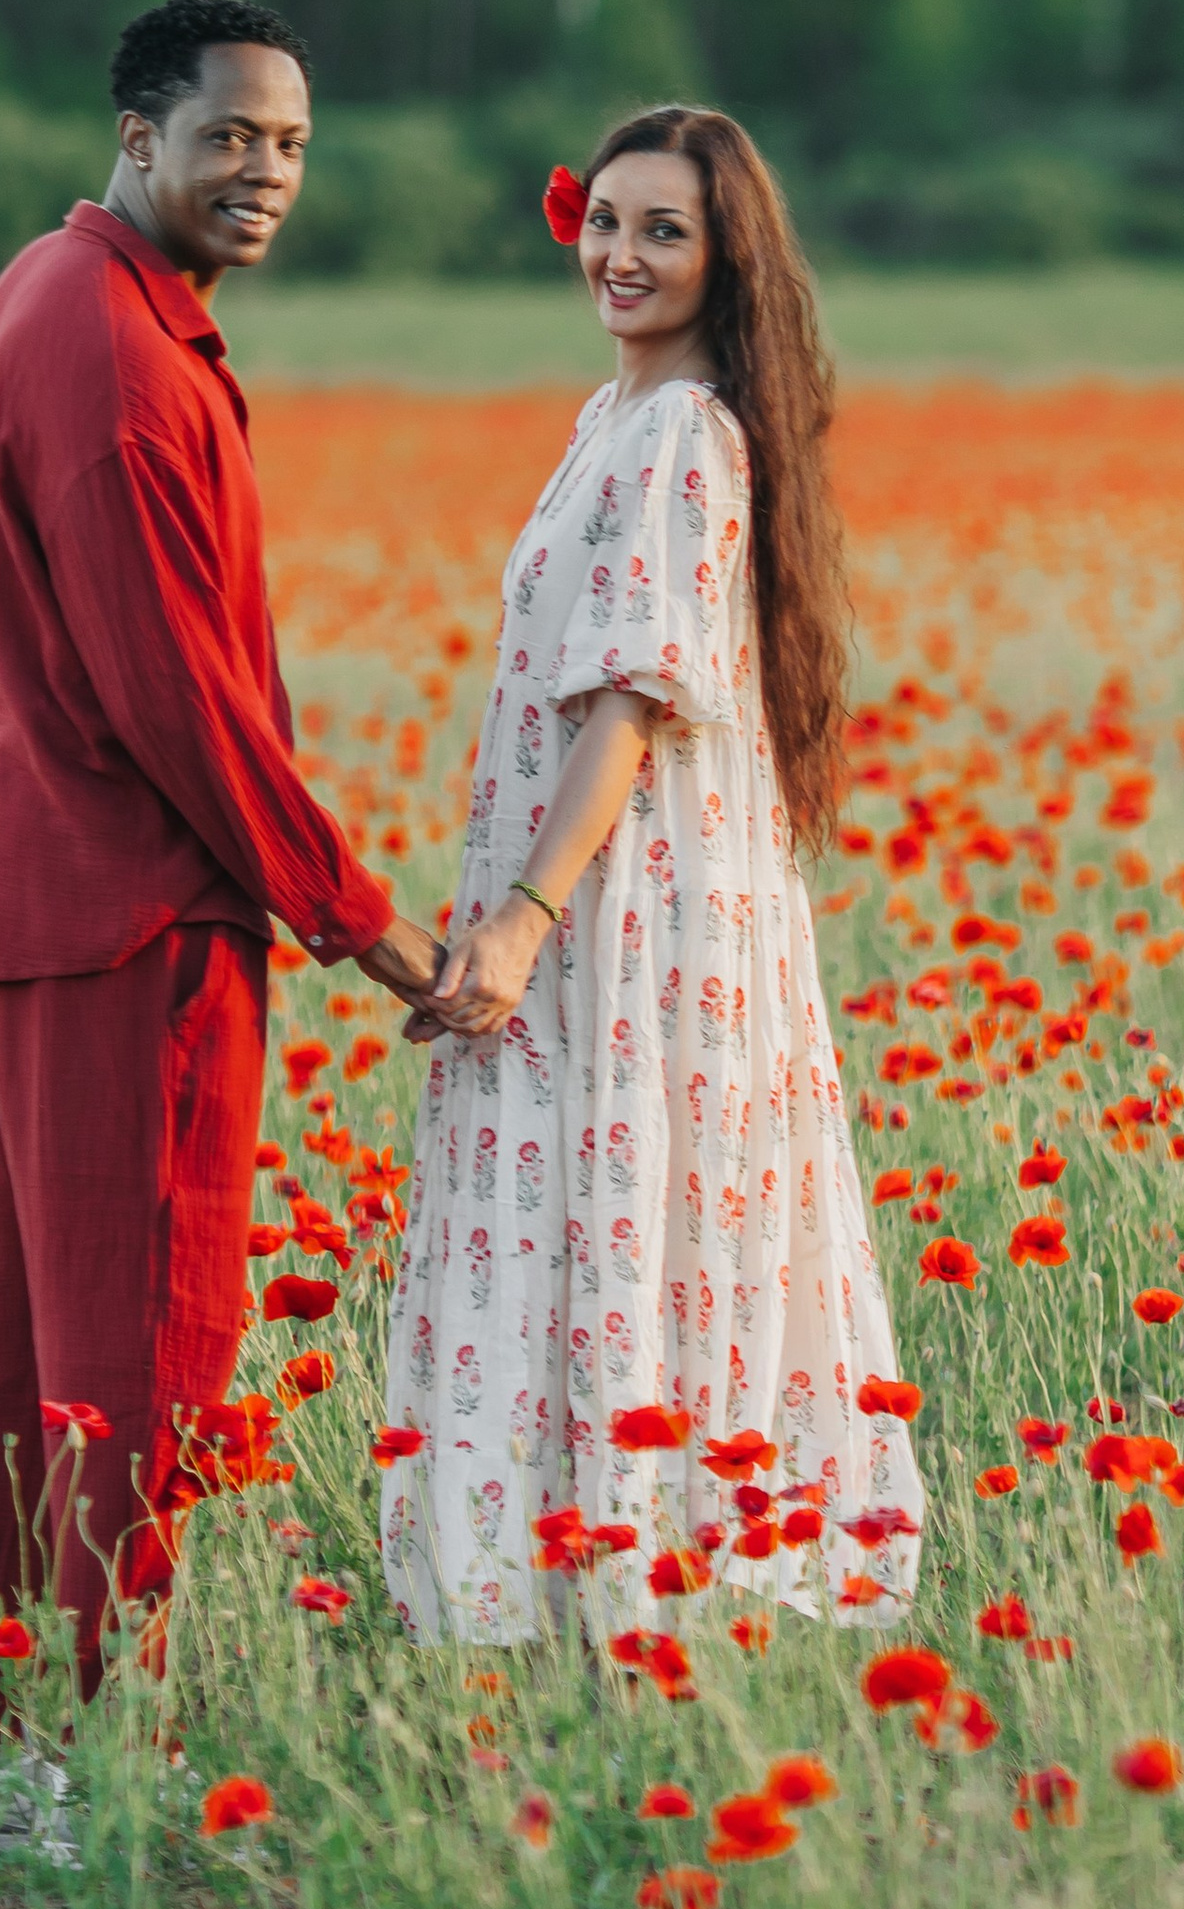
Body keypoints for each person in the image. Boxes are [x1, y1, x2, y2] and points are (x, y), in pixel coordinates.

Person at [0, 0, 440, 1679]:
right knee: (135, 1369)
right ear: (139, 138)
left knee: (12, 1372)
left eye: (291, 145)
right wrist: (363, 919)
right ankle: (83, 1749)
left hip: (15, 899)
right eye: (228, 137)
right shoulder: (122, 354)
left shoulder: (46, 292)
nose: (265, 172)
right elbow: (176, 695)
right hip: (126, 915)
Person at [380, 104, 920, 1643]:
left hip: (628, 910)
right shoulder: (614, 417)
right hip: (606, 888)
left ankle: (640, 1596)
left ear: (723, 256)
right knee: (600, 1214)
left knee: (624, 1206)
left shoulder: (686, 433)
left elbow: (631, 697)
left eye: (663, 231)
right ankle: (597, 1589)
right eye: (604, 220)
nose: (620, 254)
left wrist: (524, 916)